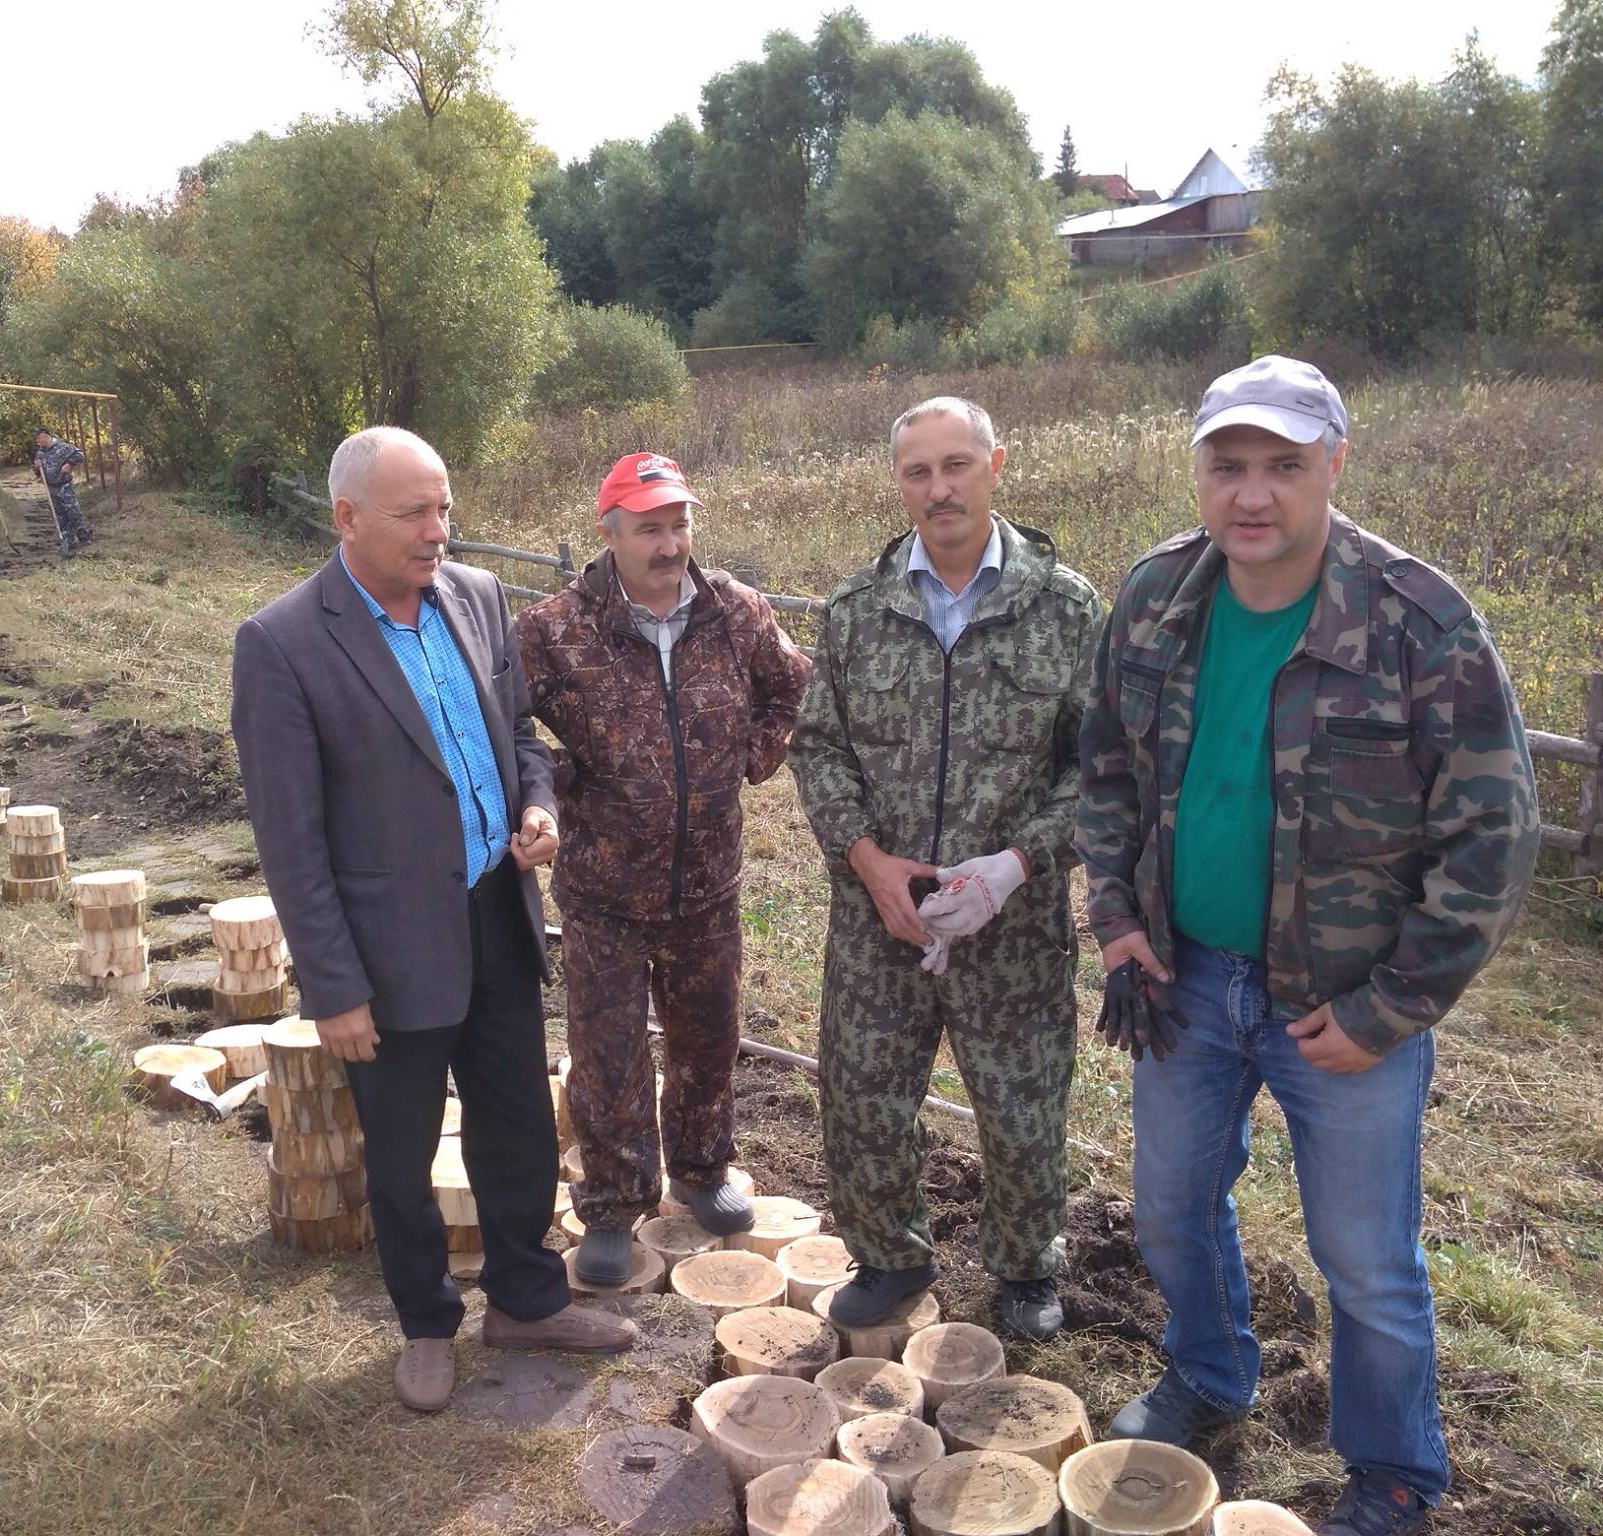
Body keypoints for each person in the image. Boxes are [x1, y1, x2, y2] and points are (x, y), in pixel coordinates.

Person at [1077, 355, 1540, 1532]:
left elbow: (1491, 834)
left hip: (1342, 1006)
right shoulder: (1155, 599)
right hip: (1180, 981)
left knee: (1364, 1264)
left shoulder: (1415, 623)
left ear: (1333, 464)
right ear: (1197, 470)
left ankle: (1392, 1468)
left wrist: (1391, 1008)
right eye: (1226, 465)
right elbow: (1106, 770)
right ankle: (1209, 1373)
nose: (1250, 494)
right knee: (1171, 1208)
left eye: (1282, 465)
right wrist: (1120, 922)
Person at [230, 425, 637, 1414]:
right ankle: (422, 1320)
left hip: (497, 915)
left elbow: (519, 737)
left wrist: (533, 802)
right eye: (414, 512)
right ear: (347, 518)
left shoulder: (478, 598)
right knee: (403, 1157)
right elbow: (291, 842)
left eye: (444, 506)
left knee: (517, 1129)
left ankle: (525, 1300)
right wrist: (333, 987)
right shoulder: (282, 643)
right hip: (386, 955)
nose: (438, 529)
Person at [789, 398, 1103, 1342]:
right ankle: (889, 1255)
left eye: (958, 465)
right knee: (862, 1093)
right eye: (919, 472)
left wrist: (1017, 865)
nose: (940, 489)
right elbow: (820, 749)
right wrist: (869, 863)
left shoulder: (1067, 608)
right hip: (879, 920)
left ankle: (1022, 1266)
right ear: (900, 483)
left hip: (1013, 925)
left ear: (997, 466)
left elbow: (1105, 771)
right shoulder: (857, 611)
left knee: (1021, 1107)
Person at [517, 453, 811, 1285]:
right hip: (604, 887)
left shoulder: (738, 612)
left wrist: (750, 757)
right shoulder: (554, 629)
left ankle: (701, 1170)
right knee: (607, 1051)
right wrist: (557, 783)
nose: (669, 542)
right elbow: (509, 732)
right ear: (609, 532)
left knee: (706, 1041)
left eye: (679, 523)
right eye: (649, 527)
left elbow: (794, 687)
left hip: (710, 884)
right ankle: (612, 1202)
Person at [34, 428, 91, 554]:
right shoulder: (40, 453)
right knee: (60, 515)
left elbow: (80, 454)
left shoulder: (62, 447)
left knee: (73, 512)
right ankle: (67, 540)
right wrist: (37, 467)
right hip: (51, 487)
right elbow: (38, 472)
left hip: (64, 485)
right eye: (39, 439)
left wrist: (70, 464)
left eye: (43, 437)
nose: (41, 441)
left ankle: (84, 536)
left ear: (49, 436)